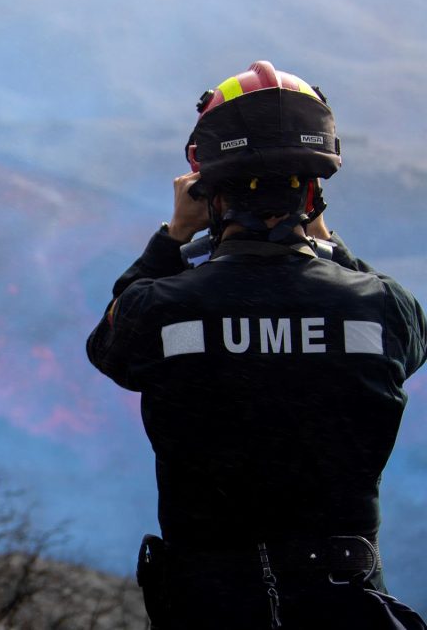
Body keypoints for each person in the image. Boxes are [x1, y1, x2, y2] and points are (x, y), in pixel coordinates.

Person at [86, 61, 427, 629]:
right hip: (348, 604)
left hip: (211, 605)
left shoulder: (160, 308)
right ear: (314, 191)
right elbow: (402, 328)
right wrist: (327, 242)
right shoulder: (381, 307)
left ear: (209, 195)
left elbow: (108, 345)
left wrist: (172, 236)